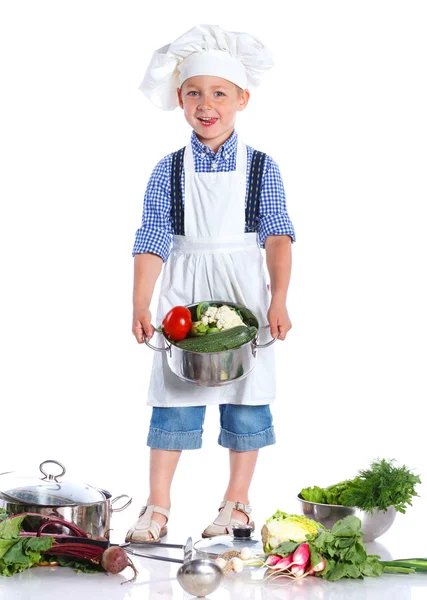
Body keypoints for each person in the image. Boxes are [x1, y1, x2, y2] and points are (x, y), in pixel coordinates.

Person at [126, 24, 295, 543]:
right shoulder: (168, 170)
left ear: (242, 98)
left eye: (219, 93)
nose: (207, 104)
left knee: (247, 398)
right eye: (195, 92)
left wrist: (280, 299)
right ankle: (157, 508)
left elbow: (278, 236)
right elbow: (152, 237)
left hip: (245, 289)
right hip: (184, 290)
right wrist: (140, 301)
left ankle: (237, 504)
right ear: (180, 99)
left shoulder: (261, 168)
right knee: (174, 397)